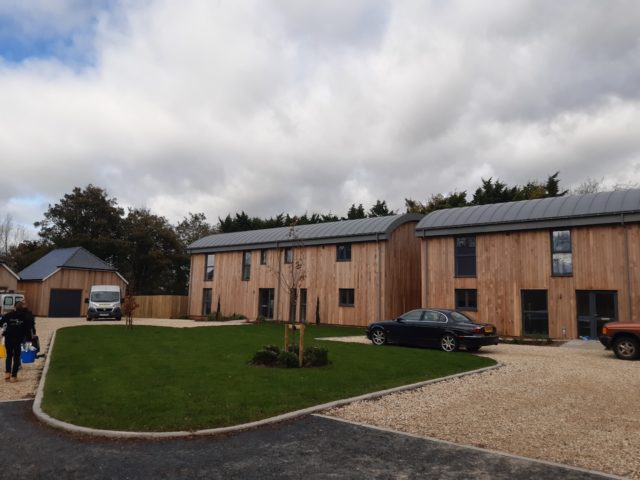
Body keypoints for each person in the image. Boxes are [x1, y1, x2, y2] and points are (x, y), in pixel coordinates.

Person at [1, 300, 29, 382]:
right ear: (22, 308)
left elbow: (1, 323)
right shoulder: (24, 317)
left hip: (8, 337)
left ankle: (7, 373)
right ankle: (14, 376)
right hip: (18, 339)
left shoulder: (8, 315)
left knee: (9, 355)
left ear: (14, 307)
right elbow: (27, 329)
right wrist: (27, 338)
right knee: (16, 357)